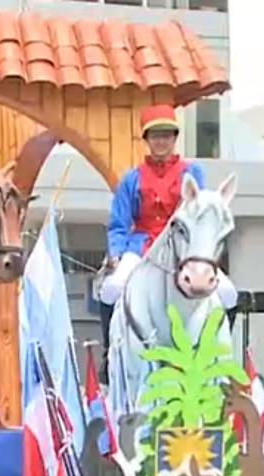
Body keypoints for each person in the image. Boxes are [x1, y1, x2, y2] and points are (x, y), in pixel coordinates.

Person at [97, 105, 238, 347]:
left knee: (227, 292)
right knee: (111, 288)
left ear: (174, 138)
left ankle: (216, 351)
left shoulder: (192, 172)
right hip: (141, 246)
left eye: (166, 135)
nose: (161, 141)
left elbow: (198, 213)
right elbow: (119, 223)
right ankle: (112, 352)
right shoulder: (132, 178)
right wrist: (116, 254)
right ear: (147, 140)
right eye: (155, 135)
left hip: (182, 248)